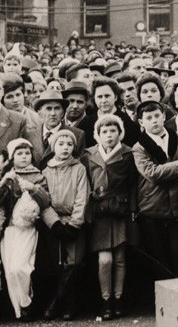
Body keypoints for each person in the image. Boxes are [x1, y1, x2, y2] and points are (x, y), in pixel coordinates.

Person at [81, 115, 137, 320]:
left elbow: (133, 185)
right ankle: (106, 300)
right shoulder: (88, 155)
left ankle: (118, 298)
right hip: (99, 213)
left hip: (120, 210)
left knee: (120, 258)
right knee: (105, 259)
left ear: (120, 132)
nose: (109, 135)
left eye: (113, 130)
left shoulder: (129, 154)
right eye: (104, 131)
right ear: (97, 134)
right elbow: (83, 182)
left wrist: (132, 208)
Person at [133, 100, 178, 279]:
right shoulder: (139, 147)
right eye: (148, 118)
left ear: (164, 116)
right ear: (141, 122)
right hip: (154, 210)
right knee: (160, 261)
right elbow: (152, 173)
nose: (154, 121)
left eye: (157, 116)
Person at [40, 129, 89, 321]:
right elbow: (43, 200)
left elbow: (82, 197)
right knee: (57, 265)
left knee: (74, 263)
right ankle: (68, 304)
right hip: (54, 223)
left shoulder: (79, 169)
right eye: (61, 144)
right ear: (53, 147)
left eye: (69, 144)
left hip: (74, 221)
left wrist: (75, 224)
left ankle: (57, 302)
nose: (65, 148)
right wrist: (54, 223)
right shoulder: (46, 171)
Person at [0, 138, 50, 320]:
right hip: (9, 230)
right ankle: (20, 310)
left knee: (21, 268)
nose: (24, 156)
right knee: (10, 271)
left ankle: (28, 300)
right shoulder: (8, 176)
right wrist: (5, 181)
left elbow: (46, 202)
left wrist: (34, 189)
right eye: (19, 153)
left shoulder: (38, 175)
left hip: (29, 230)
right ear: (12, 157)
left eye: (27, 153)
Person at [34, 90, 86, 167]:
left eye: (57, 108)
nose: (53, 113)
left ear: (63, 113)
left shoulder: (77, 135)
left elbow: (79, 167)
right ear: (39, 113)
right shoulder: (30, 134)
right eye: (48, 108)